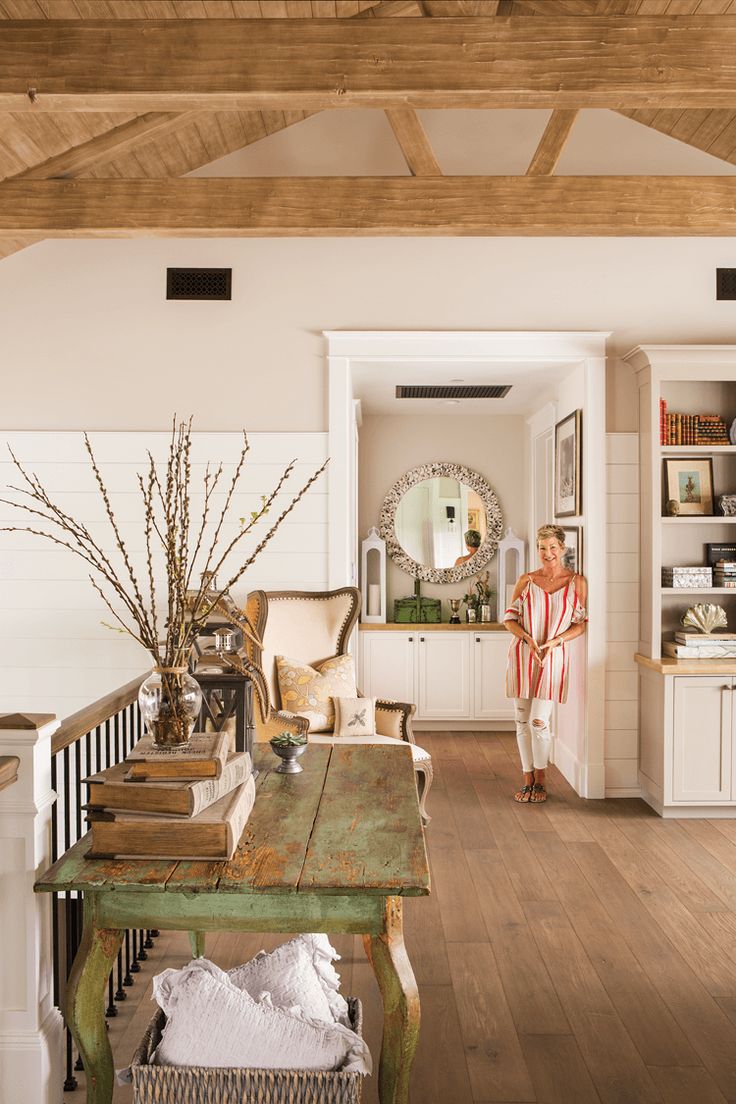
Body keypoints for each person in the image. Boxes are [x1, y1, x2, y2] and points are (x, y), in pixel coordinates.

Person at [502, 524, 588, 803]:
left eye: (552, 547)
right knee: (521, 721)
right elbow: (509, 619)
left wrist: (555, 642)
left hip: (553, 657)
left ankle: (541, 779)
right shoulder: (526, 580)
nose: (547, 553)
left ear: (562, 548)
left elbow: (580, 624)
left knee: (539, 721)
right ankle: (527, 778)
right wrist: (527, 638)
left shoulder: (577, 582)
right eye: (542, 548)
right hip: (523, 654)